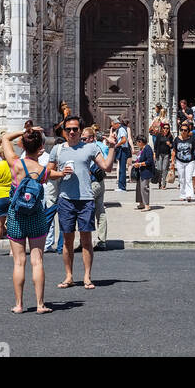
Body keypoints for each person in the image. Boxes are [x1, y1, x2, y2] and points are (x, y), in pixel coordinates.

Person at [47, 117, 118, 289]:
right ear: (64, 131)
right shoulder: (57, 149)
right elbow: (48, 172)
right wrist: (61, 173)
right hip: (65, 199)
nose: (72, 132)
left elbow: (107, 167)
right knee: (67, 240)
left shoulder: (90, 147)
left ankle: (87, 276)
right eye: (69, 129)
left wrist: (112, 148)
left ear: (80, 130)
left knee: (86, 240)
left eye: (75, 129)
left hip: (86, 199)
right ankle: (69, 276)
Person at [0, 127, 53, 313]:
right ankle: (40, 304)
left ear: (23, 144)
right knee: (37, 261)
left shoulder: (15, 164)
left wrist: (25, 130)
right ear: (41, 148)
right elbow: (53, 176)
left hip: (16, 217)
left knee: (19, 262)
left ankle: (19, 304)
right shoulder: (42, 171)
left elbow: (5, 137)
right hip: (36, 216)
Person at [83, 125, 109, 249]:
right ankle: (102, 240)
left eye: (84, 138)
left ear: (92, 138)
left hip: (93, 182)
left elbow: (90, 166)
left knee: (85, 209)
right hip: (100, 182)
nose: (82, 141)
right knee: (100, 211)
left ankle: (85, 241)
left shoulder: (91, 149)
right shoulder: (99, 146)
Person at [171, 121, 195, 201]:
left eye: (185, 130)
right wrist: (172, 162)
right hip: (179, 161)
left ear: (188, 131)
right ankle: (182, 194)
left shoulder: (192, 139)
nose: (183, 132)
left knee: (188, 178)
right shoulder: (176, 139)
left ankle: (189, 195)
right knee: (181, 178)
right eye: (182, 130)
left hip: (190, 161)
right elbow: (174, 150)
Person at [132, 133, 155, 210]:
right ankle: (141, 203)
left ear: (140, 142)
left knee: (144, 188)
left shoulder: (147, 148)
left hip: (146, 171)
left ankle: (147, 205)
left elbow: (149, 161)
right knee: (139, 188)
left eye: (137, 142)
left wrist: (140, 164)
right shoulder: (142, 149)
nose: (137, 144)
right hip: (140, 171)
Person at [113, 116, 133, 192]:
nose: (113, 127)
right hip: (123, 149)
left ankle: (122, 187)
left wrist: (116, 145)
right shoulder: (121, 129)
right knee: (122, 168)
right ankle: (121, 186)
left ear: (116, 124)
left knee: (122, 169)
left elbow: (124, 140)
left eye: (113, 125)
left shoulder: (121, 129)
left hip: (123, 149)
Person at [153, 122, 173, 190]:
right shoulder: (159, 135)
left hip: (166, 154)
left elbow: (172, 146)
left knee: (165, 169)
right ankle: (159, 183)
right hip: (159, 154)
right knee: (159, 169)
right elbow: (155, 145)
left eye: (167, 128)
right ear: (162, 128)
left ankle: (164, 184)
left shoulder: (170, 136)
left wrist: (169, 144)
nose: (166, 129)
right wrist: (155, 154)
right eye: (164, 128)